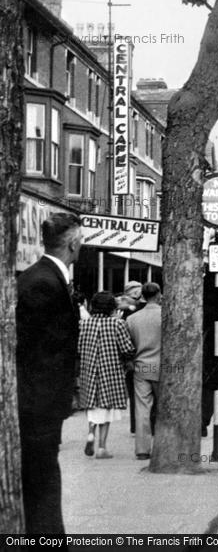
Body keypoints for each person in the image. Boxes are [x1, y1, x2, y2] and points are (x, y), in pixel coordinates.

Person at [16, 212, 82, 534]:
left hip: (42, 405)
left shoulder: (41, 278)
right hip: (38, 407)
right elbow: (41, 352)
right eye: (81, 240)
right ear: (72, 243)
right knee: (42, 482)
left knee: (43, 481)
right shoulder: (43, 283)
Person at [78, 291, 135, 459]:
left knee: (93, 405)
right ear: (112, 307)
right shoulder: (117, 324)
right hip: (110, 371)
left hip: (89, 370)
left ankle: (90, 433)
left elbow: (79, 348)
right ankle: (102, 447)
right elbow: (126, 348)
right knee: (107, 408)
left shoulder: (84, 324)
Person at [127, 282, 162, 459]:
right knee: (164, 407)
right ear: (158, 295)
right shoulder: (166, 316)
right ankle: (163, 446)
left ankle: (142, 449)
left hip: (141, 366)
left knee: (142, 409)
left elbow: (129, 345)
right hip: (162, 366)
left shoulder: (132, 319)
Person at [118, 280, 146, 434]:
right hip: (141, 356)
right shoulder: (137, 309)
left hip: (131, 359)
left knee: (134, 393)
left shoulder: (123, 311)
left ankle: (135, 425)